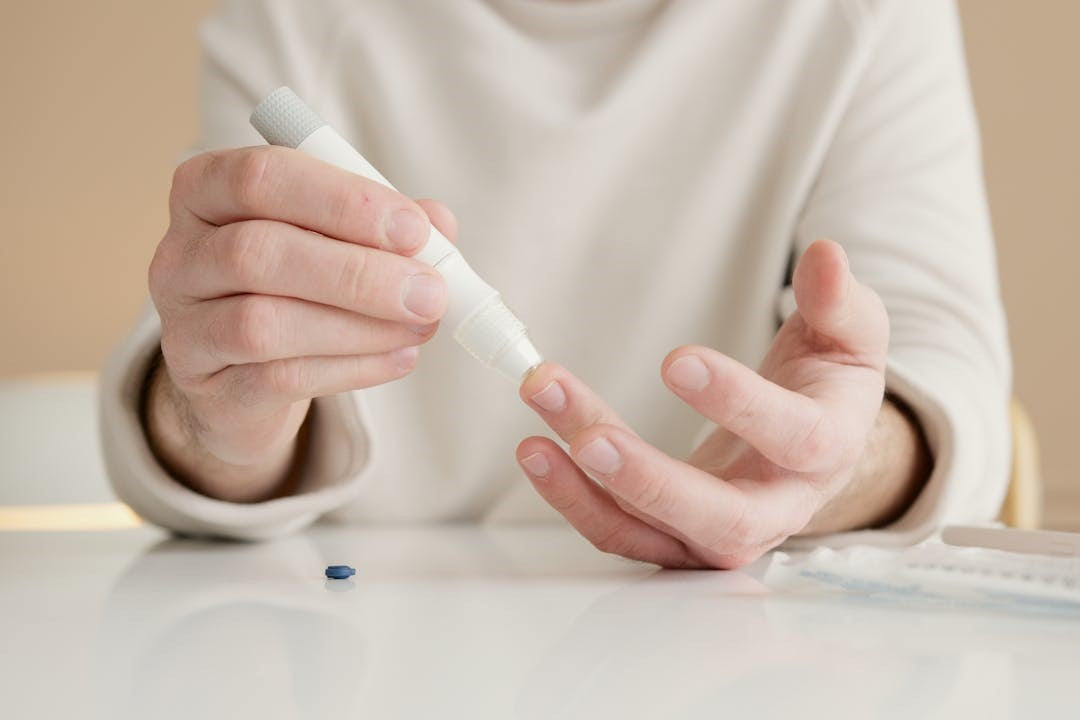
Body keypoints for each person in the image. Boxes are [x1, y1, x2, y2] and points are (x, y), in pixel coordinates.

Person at [100, 0, 1011, 568]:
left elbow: (944, 366)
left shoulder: (864, 15)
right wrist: (223, 410)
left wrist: (831, 461)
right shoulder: (294, 18)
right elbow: (197, 376)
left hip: (724, 648)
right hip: (351, 643)